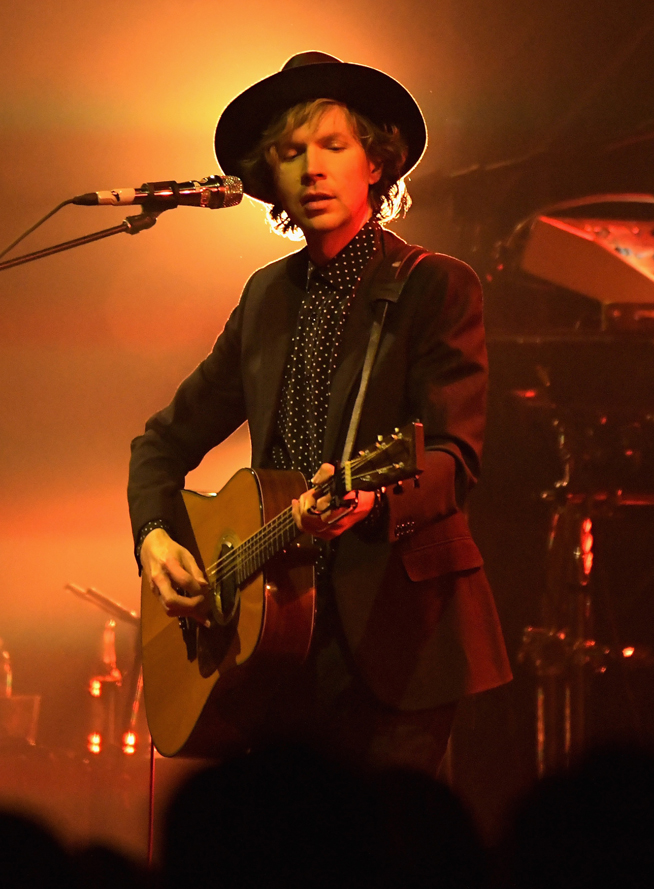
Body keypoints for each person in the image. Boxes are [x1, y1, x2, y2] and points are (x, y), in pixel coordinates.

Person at [127, 51, 511, 776]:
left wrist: (371, 499)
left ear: (376, 162)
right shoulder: (264, 298)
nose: (311, 170)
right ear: (268, 177)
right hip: (274, 645)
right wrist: (154, 538)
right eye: (289, 153)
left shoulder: (435, 286)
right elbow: (161, 443)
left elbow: (453, 458)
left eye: (332, 146)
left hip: (398, 637)